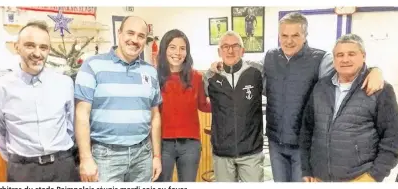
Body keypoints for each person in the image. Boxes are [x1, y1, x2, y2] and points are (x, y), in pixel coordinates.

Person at [209, 12, 384, 182]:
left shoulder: (321, 59)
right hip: (276, 143)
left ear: (305, 35)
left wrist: (373, 70)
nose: (289, 40)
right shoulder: (270, 58)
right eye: (284, 35)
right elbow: (244, 68)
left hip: (304, 145)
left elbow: (347, 68)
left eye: (295, 35)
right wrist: (221, 65)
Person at [300, 33, 398, 182]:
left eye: (351, 54)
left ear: (363, 56)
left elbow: (392, 139)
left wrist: (374, 176)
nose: (345, 59)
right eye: (340, 55)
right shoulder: (320, 87)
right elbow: (307, 130)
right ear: (334, 59)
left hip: (360, 177)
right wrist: (307, 169)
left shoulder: (380, 90)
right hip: (320, 177)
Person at [74, 16, 162, 182]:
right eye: (130, 33)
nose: (135, 40)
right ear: (119, 33)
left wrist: (156, 155)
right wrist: (85, 158)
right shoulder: (92, 66)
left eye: (141, 36)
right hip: (106, 157)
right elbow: (81, 115)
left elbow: (155, 115)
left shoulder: (150, 71)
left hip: (143, 155)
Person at [0, 20, 79, 182]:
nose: (38, 53)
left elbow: (71, 126)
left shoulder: (64, 83)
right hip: (23, 170)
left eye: (43, 47)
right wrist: (21, 161)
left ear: (48, 50)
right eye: (30, 45)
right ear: (17, 47)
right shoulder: (1, 87)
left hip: (63, 167)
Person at [204, 31, 264, 182]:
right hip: (222, 152)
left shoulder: (256, 72)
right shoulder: (210, 77)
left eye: (235, 46)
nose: (230, 50)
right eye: (225, 46)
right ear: (219, 51)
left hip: (251, 152)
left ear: (242, 50)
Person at [155, 29, 211, 182]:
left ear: (187, 52)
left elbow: (203, 105)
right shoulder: (154, 77)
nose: (177, 52)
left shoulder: (197, 77)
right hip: (162, 144)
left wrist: (224, 101)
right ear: (164, 49)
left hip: (190, 145)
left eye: (182, 48)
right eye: (172, 47)